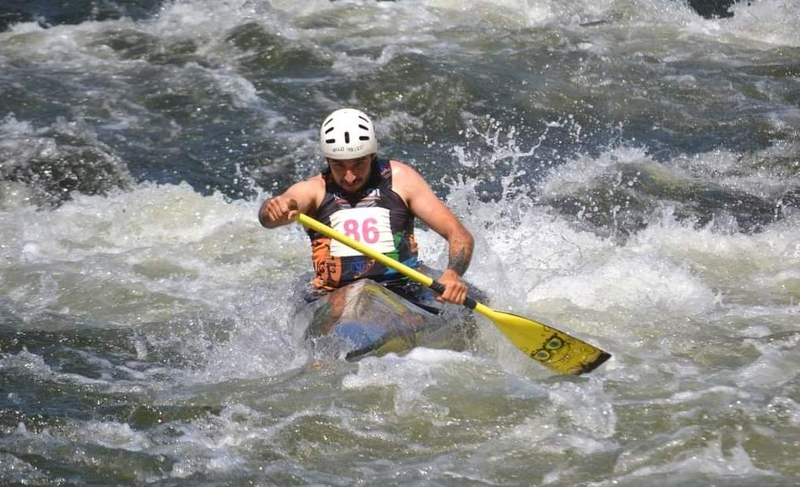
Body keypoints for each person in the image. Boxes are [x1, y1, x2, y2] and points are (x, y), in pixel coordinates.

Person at [259, 108, 474, 306]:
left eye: (359, 163)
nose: (349, 176)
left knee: (478, 298)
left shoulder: (400, 179)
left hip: (402, 291)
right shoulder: (315, 190)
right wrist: (276, 208)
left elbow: (458, 234)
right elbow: (274, 214)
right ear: (327, 160)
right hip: (333, 297)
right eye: (339, 165)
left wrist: (452, 273)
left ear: (372, 156)